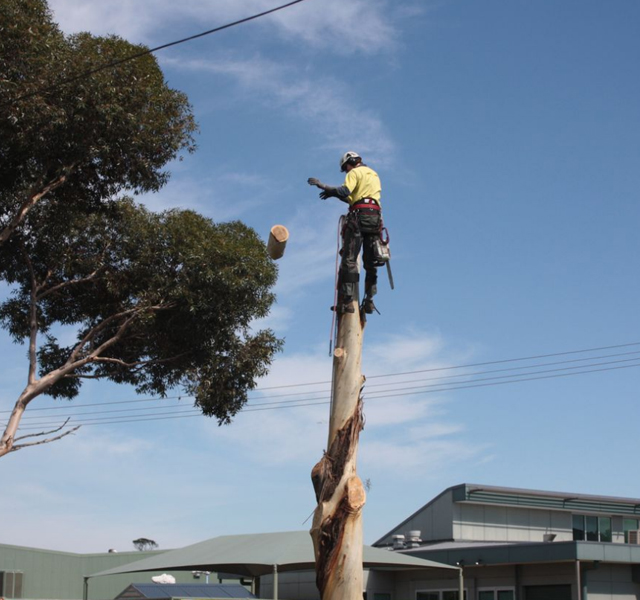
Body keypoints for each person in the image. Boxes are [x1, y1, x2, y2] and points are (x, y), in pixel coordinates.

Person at [308, 151, 382, 315]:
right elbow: (353, 197)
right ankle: (369, 301)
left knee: (349, 260)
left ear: (349, 163)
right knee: (371, 263)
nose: (346, 171)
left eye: (345, 168)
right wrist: (332, 194)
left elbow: (345, 191)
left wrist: (324, 186)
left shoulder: (354, 173)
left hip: (358, 218)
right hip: (374, 219)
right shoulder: (373, 174)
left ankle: (348, 302)